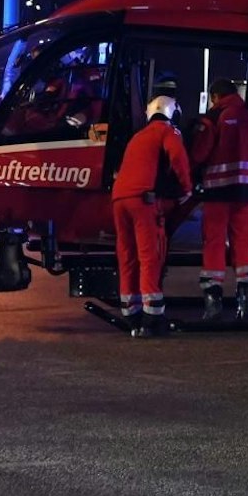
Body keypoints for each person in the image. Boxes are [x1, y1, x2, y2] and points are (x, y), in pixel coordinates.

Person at [189, 78, 248, 320]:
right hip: (246, 191)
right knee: (243, 241)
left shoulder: (213, 118)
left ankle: (213, 299)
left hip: (217, 191)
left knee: (214, 241)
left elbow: (199, 153)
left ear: (215, 96)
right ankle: (245, 299)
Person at [111, 95, 193, 336]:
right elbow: (178, 158)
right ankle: (152, 316)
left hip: (119, 199)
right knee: (150, 256)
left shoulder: (138, 136)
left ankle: (130, 312)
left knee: (127, 255)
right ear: (173, 114)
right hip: (143, 200)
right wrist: (186, 188)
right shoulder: (168, 132)